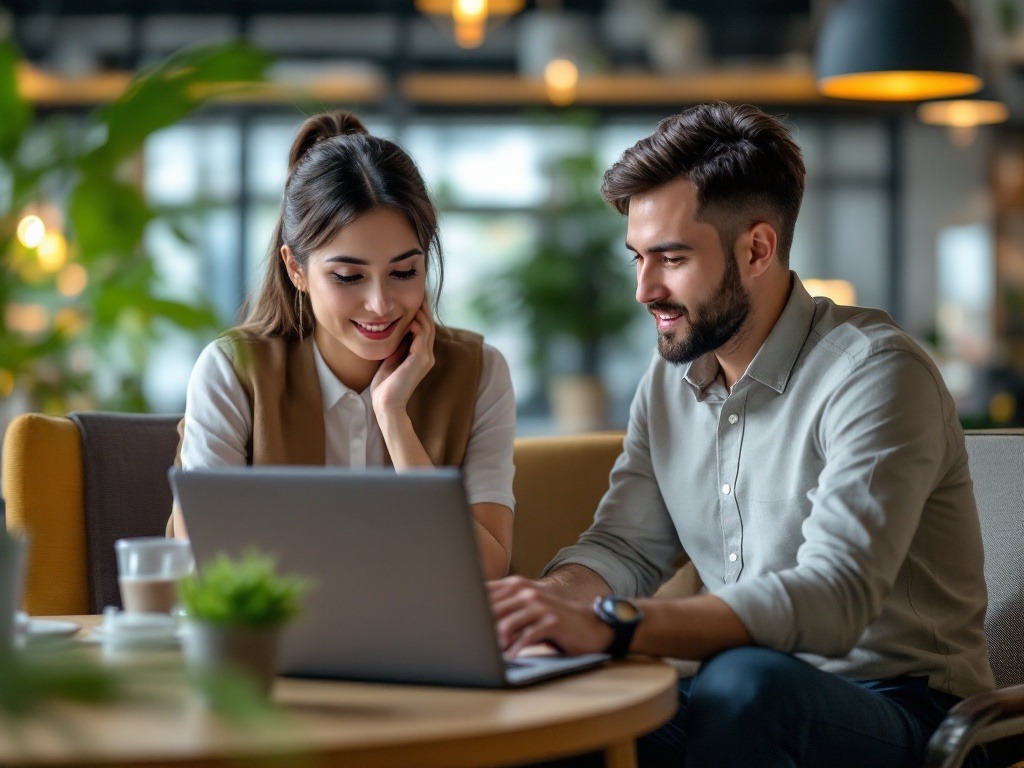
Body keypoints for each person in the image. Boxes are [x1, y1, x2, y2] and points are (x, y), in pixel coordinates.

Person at [488, 102, 994, 767]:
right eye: (638, 257)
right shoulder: (671, 378)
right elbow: (625, 547)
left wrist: (614, 625)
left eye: (670, 258)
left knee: (741, 683)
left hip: (904, 708)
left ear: (757, 248)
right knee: (567, 710)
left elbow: (834, 594)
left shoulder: (875, 375)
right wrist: (544, 611)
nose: (644, 289)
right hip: (746, 695)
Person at [171, 110, 515, 581]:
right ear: (296, 269)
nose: (380, 304)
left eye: (404, 272)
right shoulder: (233, 371)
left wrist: (394, 418)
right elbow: (199, 565)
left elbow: (490, 572)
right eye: (349, 276)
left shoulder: (480, 373)